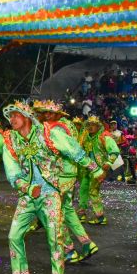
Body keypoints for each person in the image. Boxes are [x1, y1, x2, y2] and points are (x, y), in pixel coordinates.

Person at [0, 102, 104, 274]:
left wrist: (95, 168)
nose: (11, 120)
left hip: (50, 194)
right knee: (14, 236)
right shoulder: (10, 140)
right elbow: (12, 172)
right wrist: (27, 188)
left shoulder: (47, 133)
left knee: (55, 239)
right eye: (10, 116)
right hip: (28, 196)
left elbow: (73, 150)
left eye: (15, 115)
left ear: (27, 116)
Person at [32, 100, 99, 264]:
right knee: (66, 210)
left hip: (62, 174)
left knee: (55, 214)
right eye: (45, 113)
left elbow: (72, 150)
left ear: (57, 115)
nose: (46, 115)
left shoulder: (55, 129)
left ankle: (68, 249)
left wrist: (94, 167)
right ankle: (86, 243)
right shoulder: (58, 126)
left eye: (50, 113)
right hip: (66, 173)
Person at [77, 116, 121, 224]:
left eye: (93, 125)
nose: (90, 127)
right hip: (86, 168)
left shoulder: (104, 136)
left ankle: (100, 217)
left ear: (98, 126)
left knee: (93, 191)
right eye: (88, 125)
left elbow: (115, 151)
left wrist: (109, 162)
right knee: (83, 190)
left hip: (98, 169)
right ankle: (82, 214)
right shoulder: (84, 136)